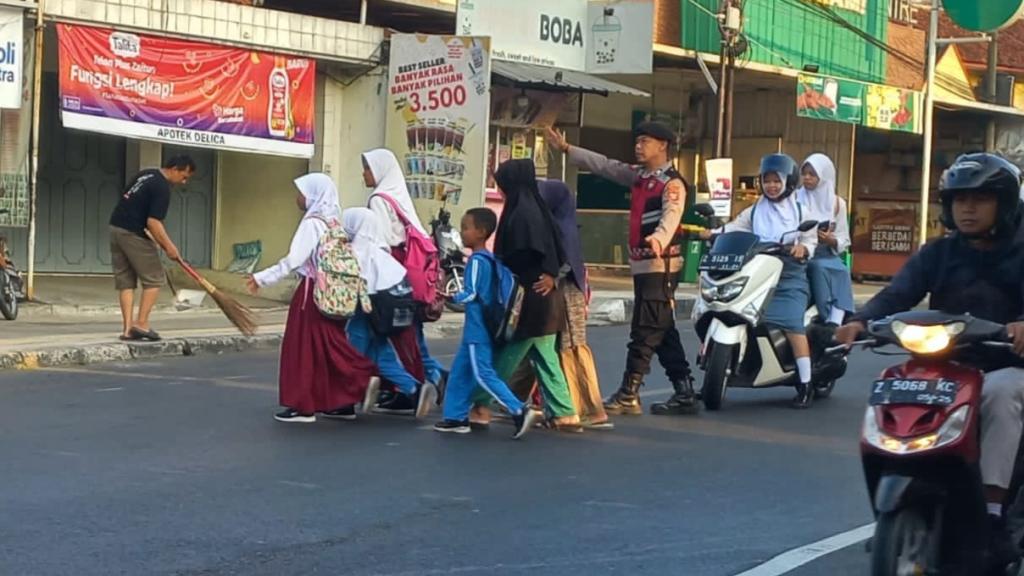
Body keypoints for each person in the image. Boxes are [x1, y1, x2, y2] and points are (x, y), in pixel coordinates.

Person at [834, 153, 1024, 566]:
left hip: (1007, 364)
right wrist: (860, 321)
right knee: (893, 382)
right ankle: (902, 491)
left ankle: (991, 516)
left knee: (1001, 394)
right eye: (959, 200)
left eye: (980, 199)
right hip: (948, 366)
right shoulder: (938, 253)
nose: (968, 208)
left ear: (1005, 204)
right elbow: (897, 295)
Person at [546, 122, 696, 416]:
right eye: (637, 142)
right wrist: (567, 149)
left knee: (645, 328)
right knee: (661, 327)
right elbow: (604, 165)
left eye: (645, 142)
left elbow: (672, 217)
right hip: (643, 265)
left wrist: (659, 239)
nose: (638, 147)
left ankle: (629, 392)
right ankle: (684, 389)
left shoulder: (672, 183)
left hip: (660, 265)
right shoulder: (640, 176)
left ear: (662, 145)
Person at [245, 173, 377, 423]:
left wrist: (262, 278)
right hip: (334, 293)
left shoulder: (313, 223)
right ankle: (342, 401)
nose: (298, 197)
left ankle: (304, 404)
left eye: (302, 192)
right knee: (330, 345)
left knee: (302, 350)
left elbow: (295, 260)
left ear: (314, 195)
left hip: (312, 292)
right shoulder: (334, 221)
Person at [702, 154, 818, 408]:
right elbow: (734, 228)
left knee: (792, 324)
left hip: (788, 275)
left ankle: (805, 383)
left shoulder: (800, 210)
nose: (772, 186)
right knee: (727, 309)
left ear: (788, 182)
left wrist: (802, 249)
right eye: (767, 180)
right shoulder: (755, 210)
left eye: (777, 180)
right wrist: (712, 234)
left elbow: (810, 239)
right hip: (757, 270)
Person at [507, 180, 613, 430]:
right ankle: (514, 399)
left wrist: (553, 276)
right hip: (555, 291)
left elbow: (567, 259)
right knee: (543, 347)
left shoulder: (563, 226)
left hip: (567, 291)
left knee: (570, 346)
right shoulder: (551, 222)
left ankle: (585, 408)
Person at [433, 207, 544, 438]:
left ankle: (518, 409)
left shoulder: (475, 261)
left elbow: (471, 293)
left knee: (483, 373)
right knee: (460, 373)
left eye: (466, 228)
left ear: (481, 232)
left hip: (478, 329)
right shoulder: (492, 261)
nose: (462, 233)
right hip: (483, 327)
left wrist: (448, 296)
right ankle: (455, 417)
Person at [489, 159, 580, 431]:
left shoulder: (523, 214)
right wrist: (552, 274)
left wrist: (545, 275)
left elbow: (523, 255)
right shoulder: (535, 211)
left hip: (528, 303)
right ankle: (565, 413)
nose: (501, 190)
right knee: (545, 357)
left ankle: (477, 402)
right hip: (543, 302)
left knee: (504, 358)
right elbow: (559, 251)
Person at [362, 148, 448, 394]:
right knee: (411, 332)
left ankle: (423, 381)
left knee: (398, 333)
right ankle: (431, 377)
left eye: (368, 168)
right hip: (411, 275)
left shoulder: (379, 199)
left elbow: (383, 240)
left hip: (394, 275)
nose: (364, 174)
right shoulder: (398, 195)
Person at [343, 207, 437, 419]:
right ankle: (414, 390)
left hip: (367, 310)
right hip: (388, 315)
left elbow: (358, 286)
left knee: (352, 353)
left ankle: (347, 399)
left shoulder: (359, 251)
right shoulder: (381, 250)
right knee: (381, 353)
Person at [109, 155, 195, 342]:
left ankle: (127, 330)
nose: (184, 181)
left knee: (126, 281)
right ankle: (141, 324)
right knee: (154, 278)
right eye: (184, 176)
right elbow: (154, 222)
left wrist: (153, 237)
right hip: (132, 232)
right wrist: (170, 247)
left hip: (116, 228)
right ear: (175, 169)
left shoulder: (146, 174)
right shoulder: (162, 187)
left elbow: (133, 204)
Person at [797, 153, 854, 326]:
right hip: (803, 252)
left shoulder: (837, 203)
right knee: (818, 268)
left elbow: (844, 238)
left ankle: (837, 319)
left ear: (824, 177)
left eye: (812, 174)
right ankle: (827, 315)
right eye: (804, 173)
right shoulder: (795, 199)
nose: (807, 178)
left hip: (826, 252)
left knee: (842, 271)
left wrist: (831, 240)